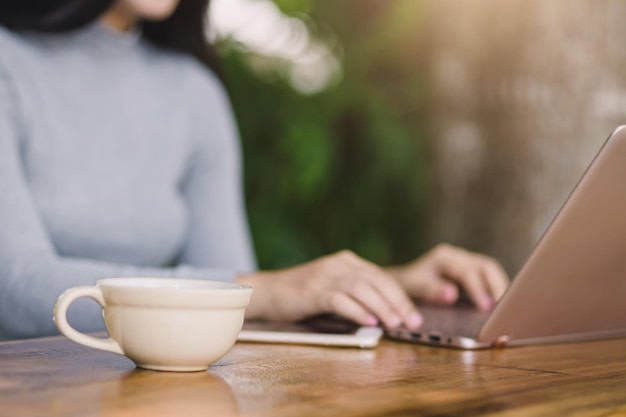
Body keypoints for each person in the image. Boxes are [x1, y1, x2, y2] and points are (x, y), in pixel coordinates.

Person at [0, 0, 509, 341]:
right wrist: (270, 291)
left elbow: (237, 303)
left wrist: (378, 290)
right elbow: (17, 288)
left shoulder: (193, 91)